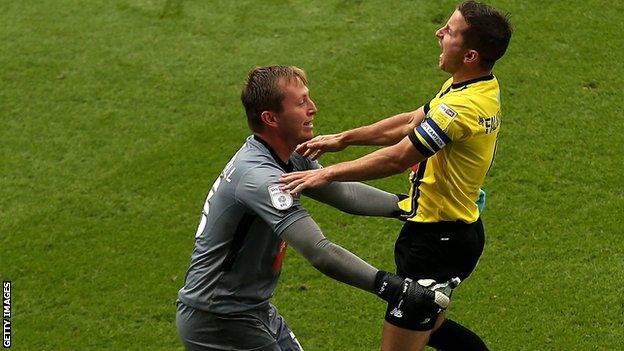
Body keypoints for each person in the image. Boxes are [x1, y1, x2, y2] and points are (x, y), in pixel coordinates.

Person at [280, 2, 513, 350]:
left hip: (437, 243)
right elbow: (409, 122)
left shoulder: (461, 109)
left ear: (470, 54)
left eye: (449, 31)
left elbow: (399, 157)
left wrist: (327, 175)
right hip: (446, 233)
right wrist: (344, 139)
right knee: (432, 328)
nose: (439, 33)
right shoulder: (477, 86)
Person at [176, 65, 454, 351]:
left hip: (249, 309)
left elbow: (345, 194)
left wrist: (413, 205)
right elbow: (320, 252)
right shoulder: (260, 178)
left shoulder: (289, 155)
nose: (313, 108)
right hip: (218, 319)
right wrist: (394, 288)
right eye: (301, 102)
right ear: (270, 118)